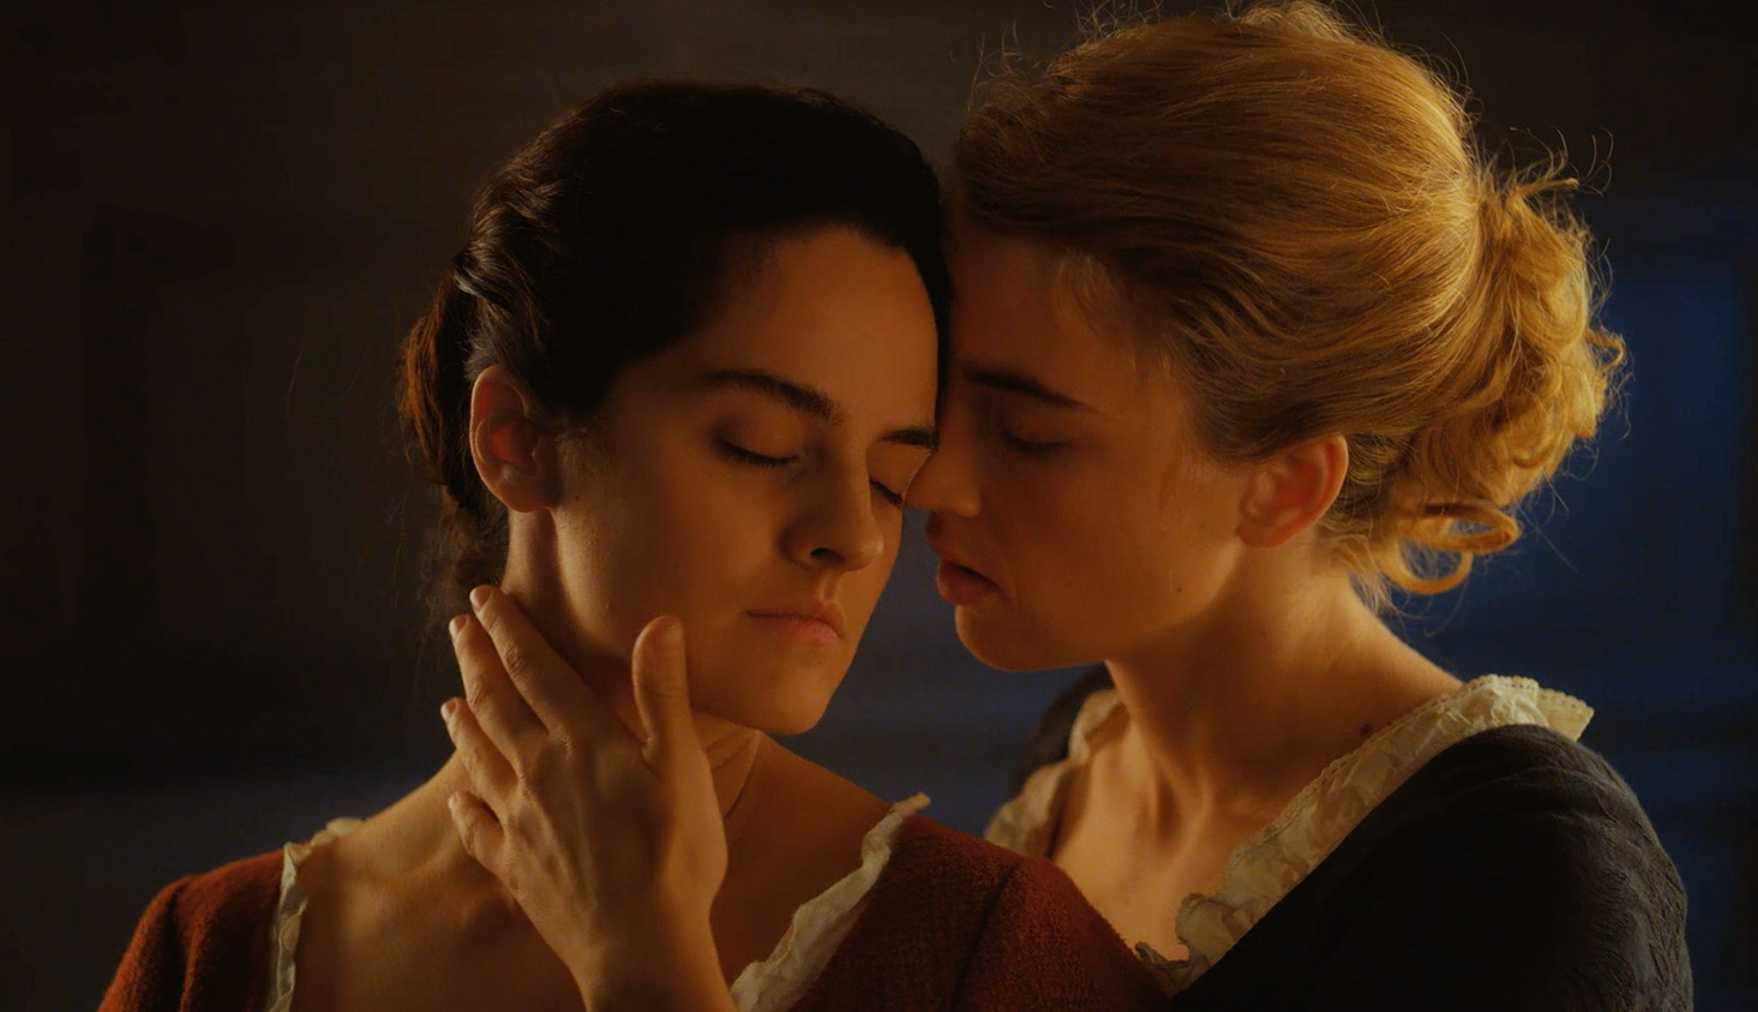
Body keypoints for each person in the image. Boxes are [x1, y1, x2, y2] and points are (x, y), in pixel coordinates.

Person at [439, 3, 1694, 1010]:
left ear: (1283, 483)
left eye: (1031, 432)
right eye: (946, 406)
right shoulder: (1076, 761)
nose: (926, 486)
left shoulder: (1526, 878)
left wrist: (645, 966)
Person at [99, 81, 1165, 1012]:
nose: (851, 535)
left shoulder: (993, 950)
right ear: (515, 441)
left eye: (891, 479)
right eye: (761, 445)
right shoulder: (216, 953)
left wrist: (645, 968)